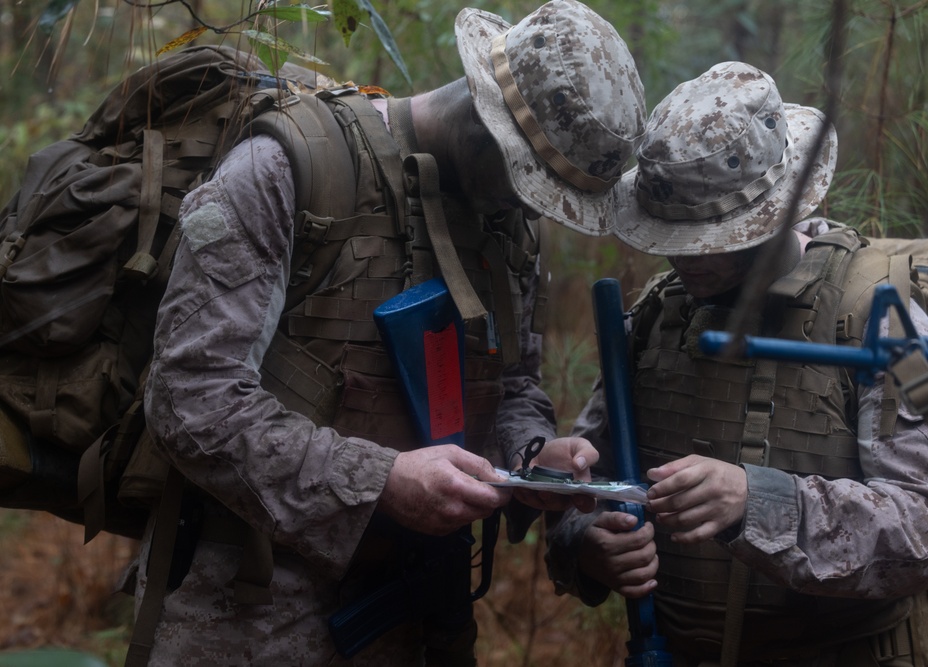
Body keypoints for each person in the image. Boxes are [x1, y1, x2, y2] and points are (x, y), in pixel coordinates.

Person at [134, 1, 646, 665]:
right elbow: (188, 398)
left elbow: (513, 380)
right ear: (484, 116)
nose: (532, 206)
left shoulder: (509, 223)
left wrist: (532, 454)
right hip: (250, 614)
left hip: (422, 610)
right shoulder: (285, 169)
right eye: (529, 182)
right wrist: (380, 480)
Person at [545, 61, 928, 666]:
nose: (688, 263)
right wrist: (584, 542)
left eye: (712, 239)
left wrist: (758, 502)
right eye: (673, 238)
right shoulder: (656, 320)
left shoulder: (869, 317)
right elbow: (588, 485)